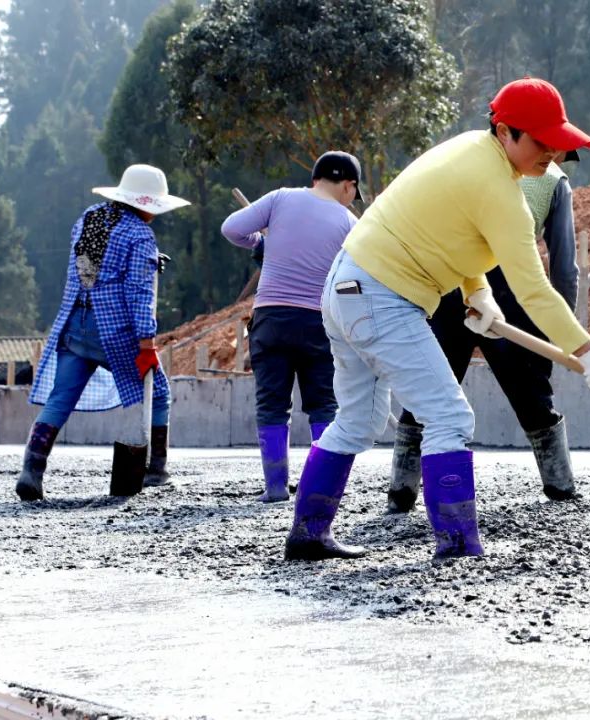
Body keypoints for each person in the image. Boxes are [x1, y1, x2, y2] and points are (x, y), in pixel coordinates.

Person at [283, 77, 590, 562]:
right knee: (448, 416)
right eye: (539, 141)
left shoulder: (470, 152)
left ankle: (307, 535)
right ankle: (456, 543)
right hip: (382, 294)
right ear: (505, 131)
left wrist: (478, 291)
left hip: (348, 286)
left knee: (358, 419)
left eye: (556, 141)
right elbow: (534, 290)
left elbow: (455, 235)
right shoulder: (500, 190)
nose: (550, 151)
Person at [386, 149, 584, 512]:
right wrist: (559, 329)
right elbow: (564, 269)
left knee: (428, 386)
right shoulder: (555, 182)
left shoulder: (462, 161)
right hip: (511, 283)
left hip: (448, 279)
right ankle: (560, 485)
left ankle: (401, 490)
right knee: (532, 391)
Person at [20, 164, 189, 501]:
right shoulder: (140, 234)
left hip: (74, 323)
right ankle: (156, 470)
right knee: (157, 392)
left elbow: (93, 271)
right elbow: (139, 293)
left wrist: (149, 259)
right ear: (146, 203)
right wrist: (146, 343)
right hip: (113, 331)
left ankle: (31, 471)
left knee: (61, 399)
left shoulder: (89, 218)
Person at [221, 151, 364, 503]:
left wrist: (262, 245)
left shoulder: (280, 198)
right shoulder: (350, 223)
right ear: (349, 186)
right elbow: (359, 274)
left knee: (271, 403)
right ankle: (322, 485)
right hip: (319, 323)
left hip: (271, 319)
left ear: (315, 178)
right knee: (324, 405)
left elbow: (231, 229)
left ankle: (274, 488)